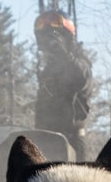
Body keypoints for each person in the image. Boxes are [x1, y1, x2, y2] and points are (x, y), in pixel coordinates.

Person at [33, 9, 92, 149]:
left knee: (79, 170)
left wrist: (62, 53)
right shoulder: (48, 71)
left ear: (67, 37)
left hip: (71, 142)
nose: (52, 45)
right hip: (46, 140)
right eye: (47, 41)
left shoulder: (82, 63)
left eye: (55, 38)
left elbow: (81, 76)